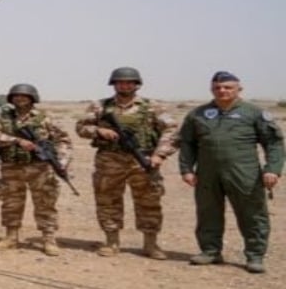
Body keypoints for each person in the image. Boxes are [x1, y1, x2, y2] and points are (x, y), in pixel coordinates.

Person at [178, 71, 283, 274]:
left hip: (244, 172)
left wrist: (273, 169)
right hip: (207, 173)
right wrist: (186, 169)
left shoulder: (253, 112)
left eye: (227, 87)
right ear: (211, 89)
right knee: (208, 212)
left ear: (239, 89)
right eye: (217, 87)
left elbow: (273, 143)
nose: (222, 91)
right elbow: (187, 143)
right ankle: (210, 251)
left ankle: (255, 255)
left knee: (252, 214)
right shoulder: (198, 114)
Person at [75, 67, 180, 259]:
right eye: (120, 82)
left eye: (129, 82)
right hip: (109, 160)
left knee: (149, 202)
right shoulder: (100, 106)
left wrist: (160, 155)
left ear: (136, 85)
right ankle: (111, 242)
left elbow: (172, 130)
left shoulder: (152, 107)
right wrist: (98, 131)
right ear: (114, 84)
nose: (124, 85)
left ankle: (150, 244)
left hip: (143, 160)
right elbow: (81, 128)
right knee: (107, 201)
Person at [0, 83, 72, 256]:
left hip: (40, 167)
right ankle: (11, 237)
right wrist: (16, 141)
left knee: (45, 203)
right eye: (16, 96)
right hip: (12, 166)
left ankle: (48, 239)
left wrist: (62, 162)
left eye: (24, 96)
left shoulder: (45, 118)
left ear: (32, 98)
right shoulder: (3, 118)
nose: (20, 98)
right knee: (11, 202)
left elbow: (63, 140)